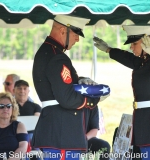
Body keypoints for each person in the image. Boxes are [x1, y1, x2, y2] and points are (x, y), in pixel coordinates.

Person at [93, 25, 150, 160]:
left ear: (147, 41)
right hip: (145, 131)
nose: (131, 47)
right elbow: (127, 58)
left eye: (134, 43)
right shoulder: (143, 62)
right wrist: (109, 50)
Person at [32, 15, 108, 160]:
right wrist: (94, 98)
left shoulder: (48, 52)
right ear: (62, 30)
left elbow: (56, 82)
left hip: (56, 133)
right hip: (62, 136)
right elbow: (67, 98)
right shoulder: (57, 57)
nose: (78, 39)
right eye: (75, 33)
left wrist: (79, 80)